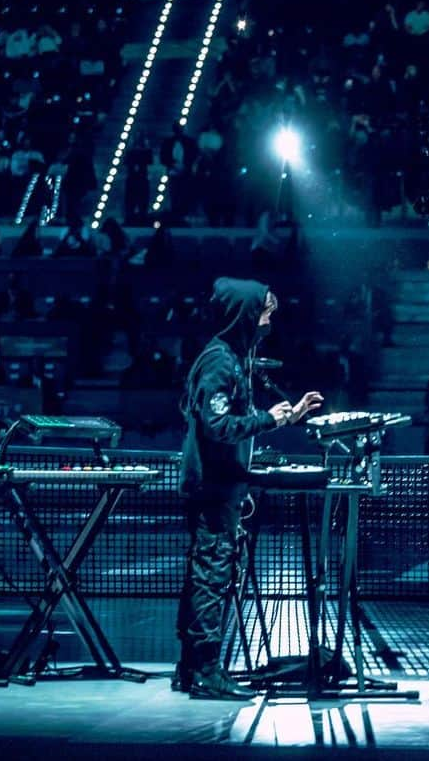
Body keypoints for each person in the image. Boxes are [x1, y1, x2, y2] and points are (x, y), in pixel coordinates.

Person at [175, 278, 323, 699]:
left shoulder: (230, 359)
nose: (268, 322)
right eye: (264, 313)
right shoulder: (219, 362)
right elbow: (217, 425)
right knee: (211, 576)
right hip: (213, 490)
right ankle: (204, 671)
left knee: (206, 575)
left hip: (221, 487)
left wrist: (287, 416)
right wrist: (268, 420)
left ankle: (191, 669)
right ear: (244, 314)